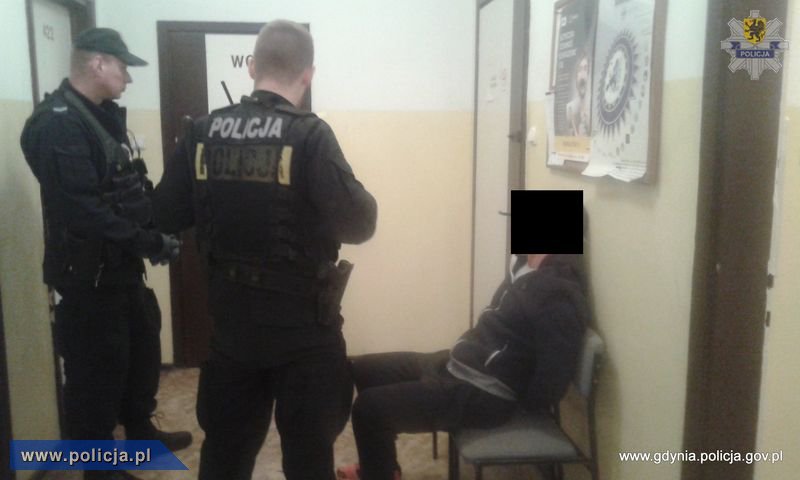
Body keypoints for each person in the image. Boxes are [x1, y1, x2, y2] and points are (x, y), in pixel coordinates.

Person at [152, 19, 378, 480]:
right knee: (309, 459)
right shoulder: (310, 135)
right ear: (308, 75)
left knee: (225, 454)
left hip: (232, 329)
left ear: (253, 66)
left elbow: (163, 215)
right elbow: (361, 223)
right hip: (304, 333)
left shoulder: (202, 132)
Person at [19, 28, 192, 480]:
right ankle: (99, 470)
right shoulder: (59, 123)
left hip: (118, 267)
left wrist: (153, 227)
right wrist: (150, 243)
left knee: (140, 352)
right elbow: (83, 211)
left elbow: (121, 188)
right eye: (123, 67)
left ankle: (140, 435)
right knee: (96, 378)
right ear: (97, 63)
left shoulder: (98, 117)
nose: (128, 78)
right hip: (88, 277)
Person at [337, 253, 590, 480]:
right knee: (366, 369)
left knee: (369, 410)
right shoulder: (523, 266)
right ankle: (382, 468)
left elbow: (553, 377)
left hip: (485, 393)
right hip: (458, 364)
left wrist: (521, 405)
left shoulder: (559, 292)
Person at [565, 49, 591, 137]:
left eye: (585, 69)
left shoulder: (593, 108)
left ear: (589, 74)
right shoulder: (569, 108)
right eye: (579, 70)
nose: (582, 75)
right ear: (575, 77)